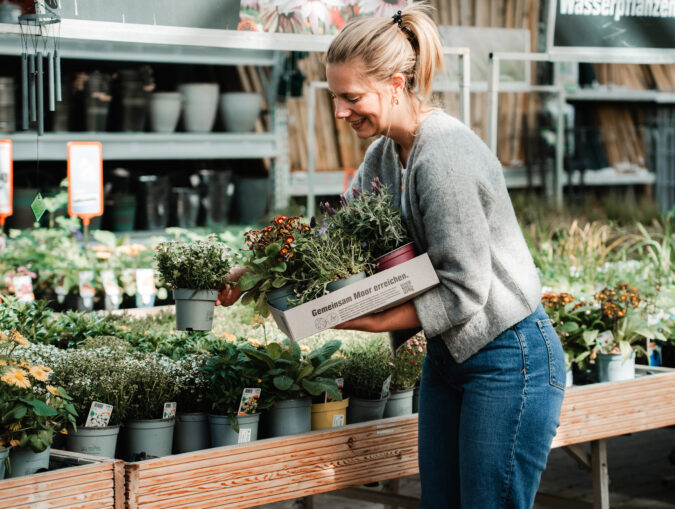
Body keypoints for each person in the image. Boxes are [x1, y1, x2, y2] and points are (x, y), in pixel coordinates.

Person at [219, 4, 565, 508]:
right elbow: (334, 235)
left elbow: (466, 288)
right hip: (450, 357)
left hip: (510, 357)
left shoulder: (442, 157)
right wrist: (254, 271)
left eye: (351, 97)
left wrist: (366, 318)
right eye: (335, 97)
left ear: (397, 84)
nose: (340, 112)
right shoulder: (385, 154)